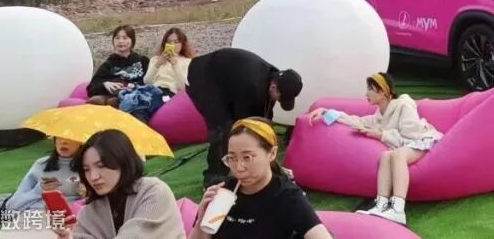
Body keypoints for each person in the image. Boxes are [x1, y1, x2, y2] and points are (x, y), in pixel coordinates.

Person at [307, 73, 443, 226]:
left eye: (370, 89)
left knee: (397, 155)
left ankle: (398, 209)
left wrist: (381, 135)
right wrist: (326, 112)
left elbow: (411, 137)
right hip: (408, 145)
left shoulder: (404, 106)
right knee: (385, 156)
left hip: (423, 140)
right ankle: (381, 205)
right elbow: (357, 121)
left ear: (383, 92)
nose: (366, 93)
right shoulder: (379, 115)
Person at [190, 118, 332, 239]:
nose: (239, 167)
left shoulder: (287, 197)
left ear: (272, 153)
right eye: (232, 158)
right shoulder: (221, 190)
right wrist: (201, 221)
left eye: (247, 157)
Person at [187, 48, 304, 187]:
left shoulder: (274, 79)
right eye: (280, 98)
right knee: (224, 128)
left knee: (255, 129)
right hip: (203, 77)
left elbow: (265, 119)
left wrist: (269, 157)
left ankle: (263, 168)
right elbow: (243, 125)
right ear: (274, 86)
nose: (279, 101)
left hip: (231, 80)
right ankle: (214, 178)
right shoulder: (252, 87)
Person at [54, 130, 184, 239]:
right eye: (86, 169)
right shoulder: (90, 212)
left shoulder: (154, 192)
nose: (93, 177)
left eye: (101, 166)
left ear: (122, 162)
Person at [121, 28, 195, 123]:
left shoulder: (187, 62)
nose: (172, 45)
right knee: (135, 107)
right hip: (153, 90)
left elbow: (183, 87)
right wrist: (157, 64)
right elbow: (147, 81)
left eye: (176, 42)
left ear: (182, 44)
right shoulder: (155, 59)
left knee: (145, 109)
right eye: (169, 42)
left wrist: (175, 65)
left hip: (171, 93)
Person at [3, 138, 82, 213]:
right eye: (59, 138)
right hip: (34, 214)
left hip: (69, 215)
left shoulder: (85, 166)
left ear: (81, 141)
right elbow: (12, 205)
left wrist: (86, 195)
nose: (63, 142)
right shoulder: (41, 164)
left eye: (68, 138)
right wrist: (39, 190)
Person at [87, 26, 151, 108]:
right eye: (117, 38)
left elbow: (151, 81)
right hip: (111, 95)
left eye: (125, 38)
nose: (121, 41)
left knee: (114, 101)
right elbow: (91, 87)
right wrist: (105, 84)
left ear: (132, 40)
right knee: (96, 100)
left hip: (135, 96)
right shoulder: (109, 64)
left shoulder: (142, 61)